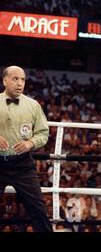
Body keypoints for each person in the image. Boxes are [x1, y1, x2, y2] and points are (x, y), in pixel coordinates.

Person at [0, 66, 52, 232]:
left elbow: (43, 132)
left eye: (22, 79)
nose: (20, 83)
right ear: (4, 81)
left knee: (38, 209)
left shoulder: (33, 105)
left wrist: (30, 143)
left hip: (23, 165)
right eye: (15, 79)